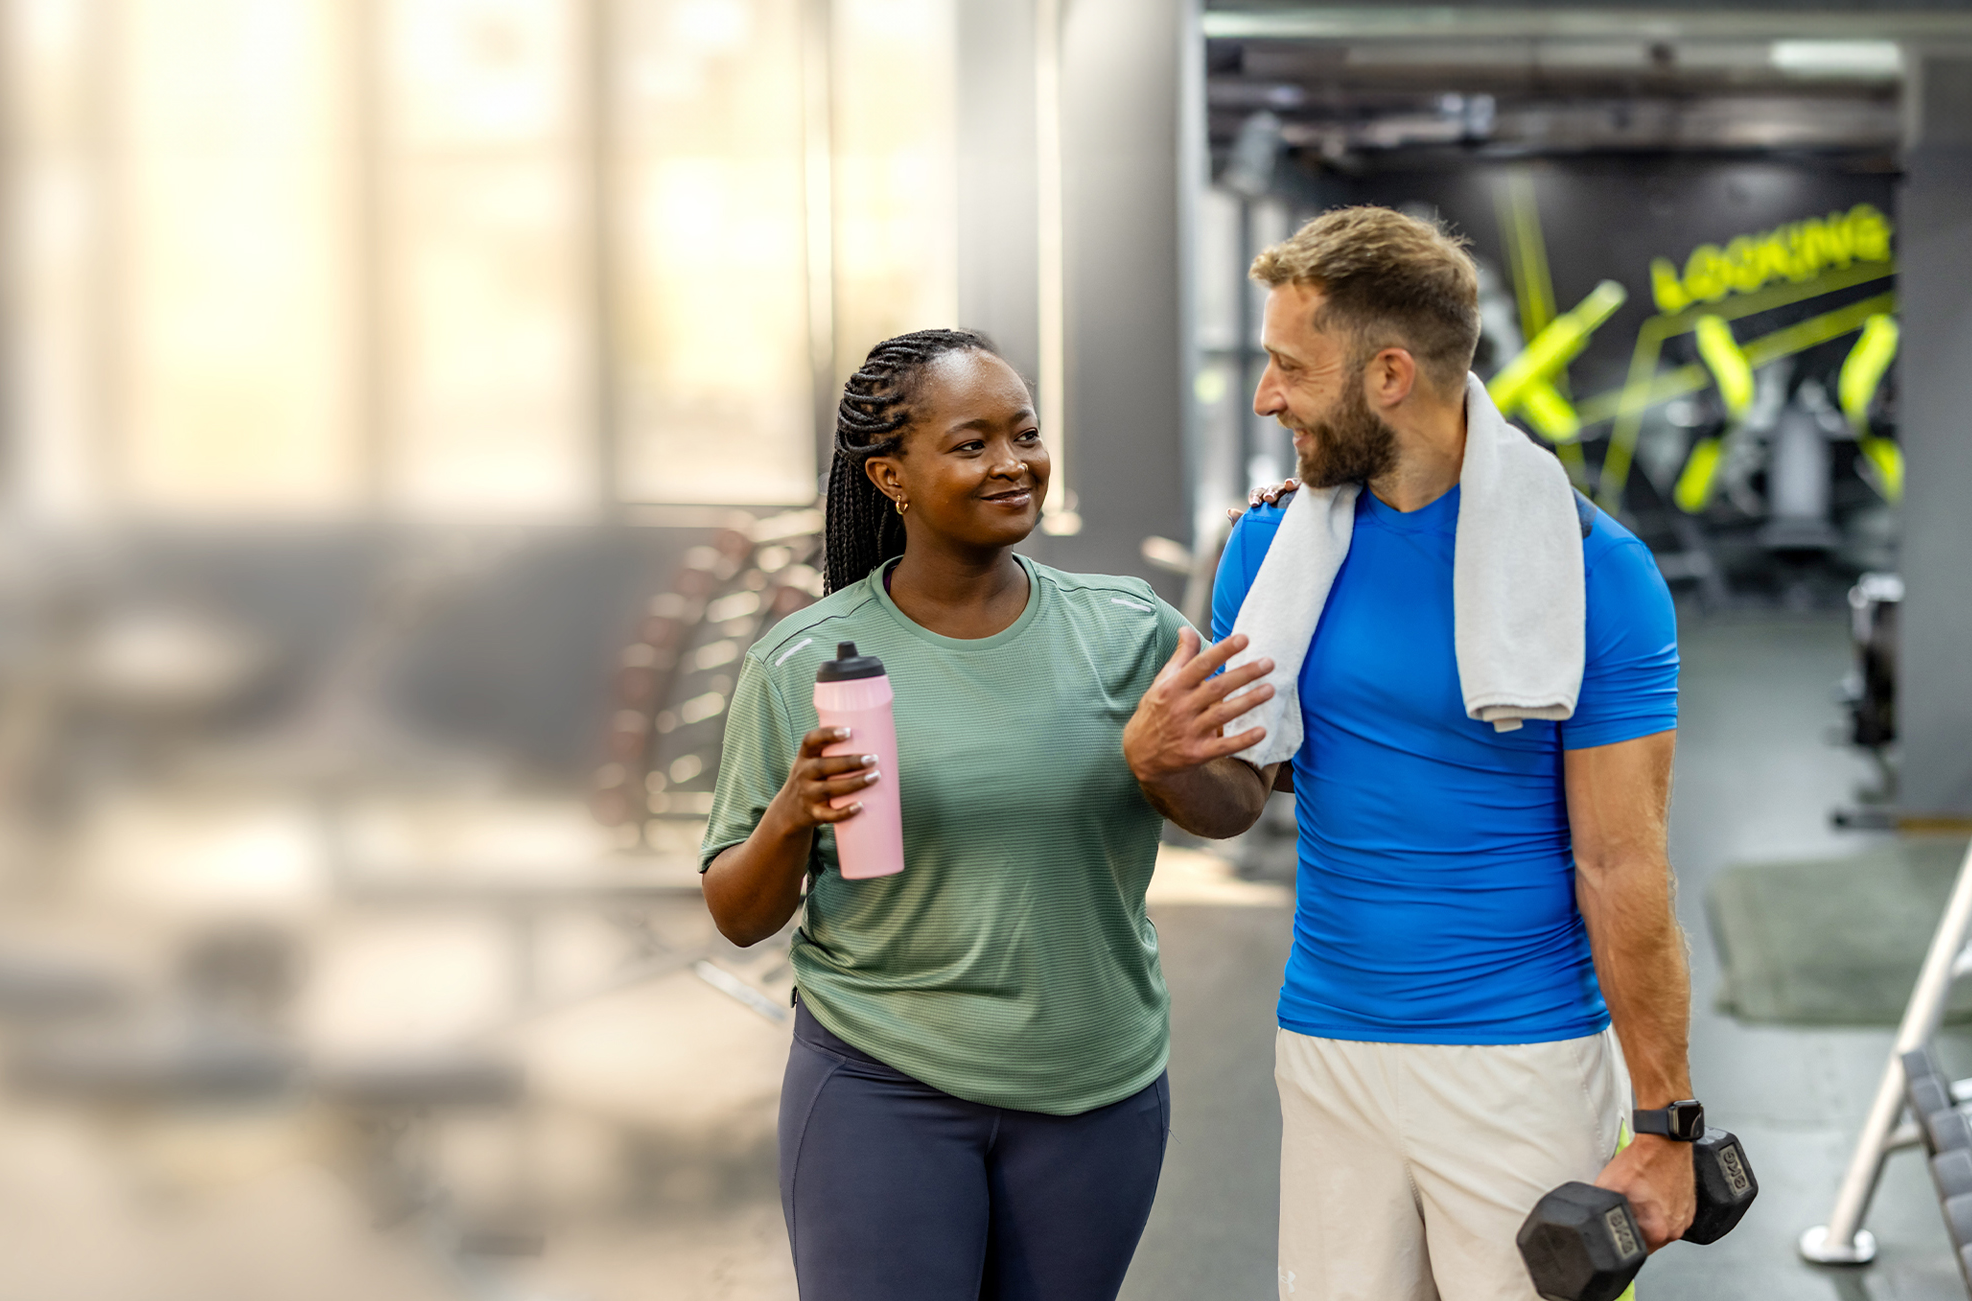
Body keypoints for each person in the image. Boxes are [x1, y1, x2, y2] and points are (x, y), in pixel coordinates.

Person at [1156, 207, 1691, 1300]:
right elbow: (1232, 798)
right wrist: (1158, 753)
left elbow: (1621, 863)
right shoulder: (1267, 547)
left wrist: (1664, 1118)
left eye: (1288, 368)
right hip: (1324, 1045)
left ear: (1388, 373)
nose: (1264, 397)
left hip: (1518, 1059)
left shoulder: (1595, 570)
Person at [700, 328, 1277, 1301]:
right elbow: (736, 910)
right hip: (880, 1080)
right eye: (971, 443)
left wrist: (1161, 767)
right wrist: (792, 812)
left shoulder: (1127, 627)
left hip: (1093, 1087)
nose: (1012, 463)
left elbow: (1235, 806)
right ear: (890, 473)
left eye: (1025, 433)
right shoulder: (803, 660)